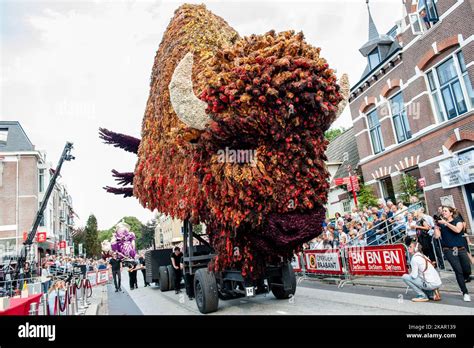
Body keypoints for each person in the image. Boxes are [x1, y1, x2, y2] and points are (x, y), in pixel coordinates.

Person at [434, 206, 471, 302]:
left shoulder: (457, 220)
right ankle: (465, 292)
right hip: (449, 250)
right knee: (458, 271)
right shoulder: (440, 224)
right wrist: (436, 227)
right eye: (443, 211)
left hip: (461, 249)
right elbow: (437, 236)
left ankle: (465, 278)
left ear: (451, 213)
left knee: (467, 270)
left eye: (445, 211)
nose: (443, 212)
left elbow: (458, 230)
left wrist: (445, 223)